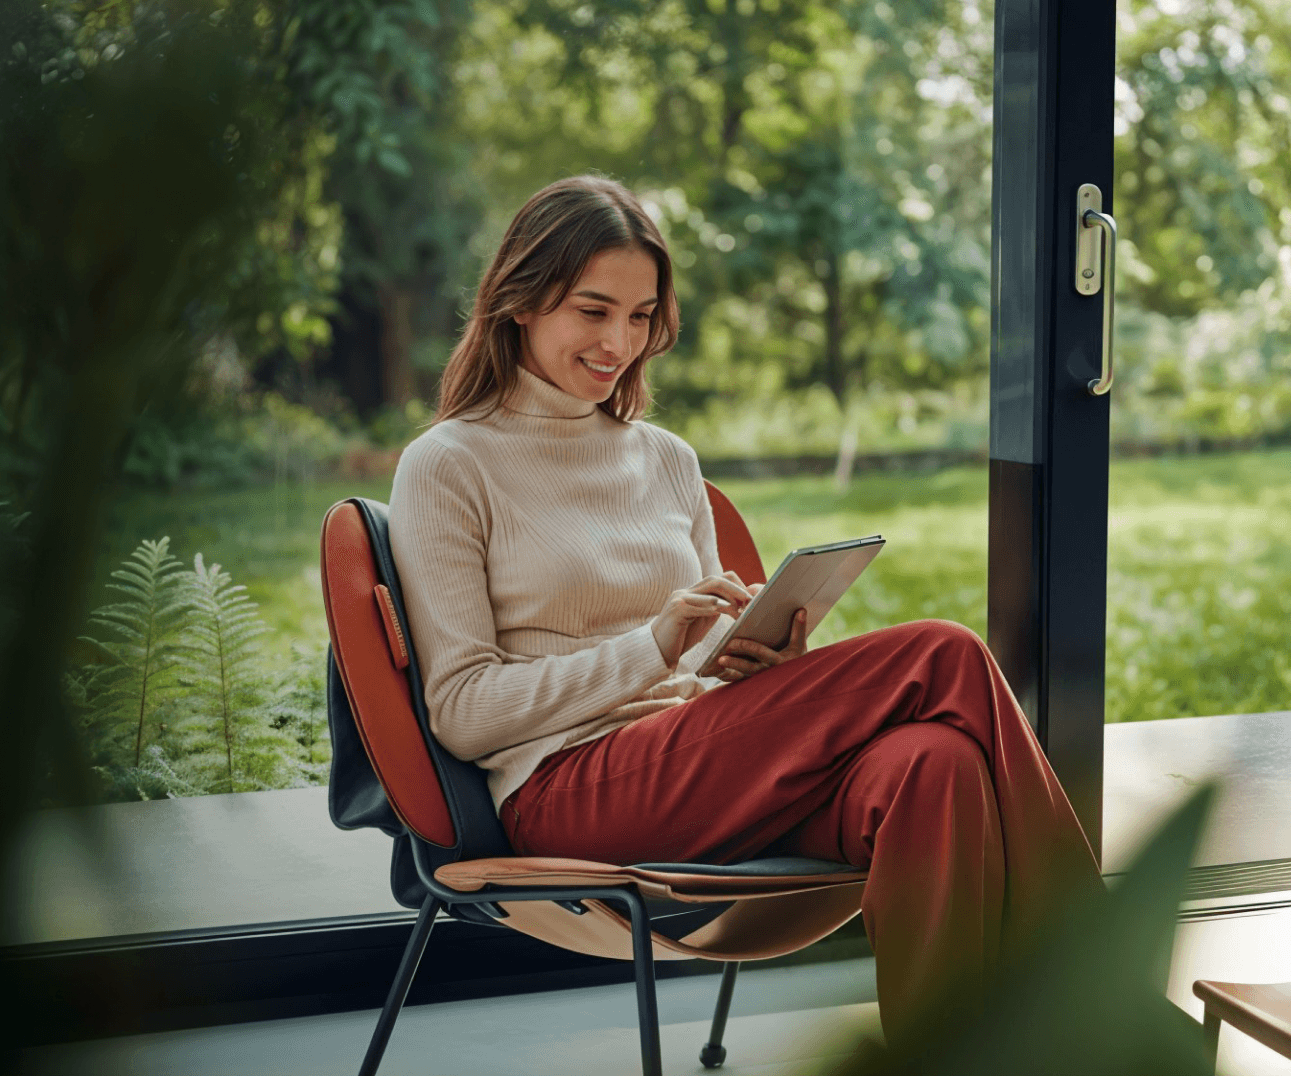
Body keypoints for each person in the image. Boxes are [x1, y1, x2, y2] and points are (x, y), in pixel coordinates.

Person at [386, 174, 1101, 1038]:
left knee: (931, 763)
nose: (620, 340)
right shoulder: (449, 465)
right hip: (566, 786)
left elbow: (695, 667)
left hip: (699, 765)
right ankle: (1101, 989)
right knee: (942, 653)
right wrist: (651, 647)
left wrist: (759, 671)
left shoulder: (666, 460)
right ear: (520, 301)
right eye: (592, 309)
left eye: (642, 316)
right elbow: (460, 714)